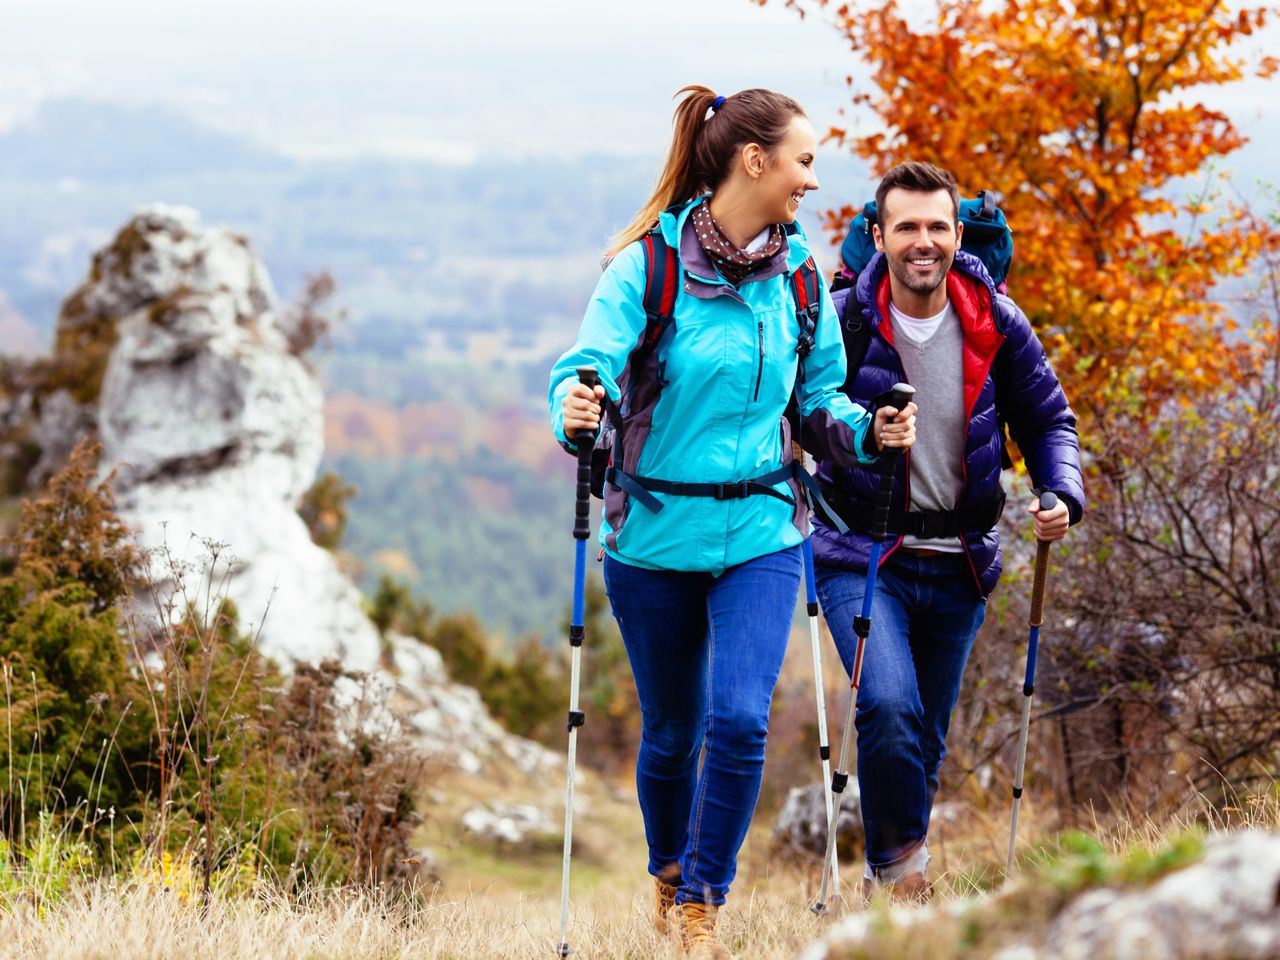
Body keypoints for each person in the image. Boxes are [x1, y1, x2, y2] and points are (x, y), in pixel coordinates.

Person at [549, 86, 916, 957]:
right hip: (653, 535)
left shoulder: (798, 276)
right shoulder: (649, 266)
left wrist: (868, 431)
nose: (814, 182)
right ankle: (669, 873)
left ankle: (703, 906)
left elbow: (820, 396)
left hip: (761, 530)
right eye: (804, 161)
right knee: (672, 732)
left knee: (741, 718)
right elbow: (587, 367)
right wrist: (572, 405)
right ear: (754, 161)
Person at [810, 160, 1085, 899]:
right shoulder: (844, 320)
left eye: (936, 226)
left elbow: (1049, 418)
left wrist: (1063, 491)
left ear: (958, 234)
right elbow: (804, 416)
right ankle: (905, 879)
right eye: (906, 227)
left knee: (924, 737)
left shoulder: (996, 319)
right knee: (888, 705)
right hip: (860, 551)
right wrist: (860, 434)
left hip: (961, 557)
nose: (922, 241)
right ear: (879, 235)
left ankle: (886, 882)